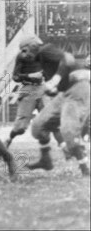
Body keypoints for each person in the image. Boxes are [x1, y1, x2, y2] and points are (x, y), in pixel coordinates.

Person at [26, 48, 90, 176]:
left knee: (69, 132)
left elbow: (67, 58)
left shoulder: (45, 52)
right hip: (64, 93)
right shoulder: (41, 65)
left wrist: (55, 79)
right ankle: (45, 160)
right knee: (38, 125)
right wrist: (50, 90)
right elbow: (57, 87)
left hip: (77, 90)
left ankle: (84, 167)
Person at [4, 36, 64, 149]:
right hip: (28, 89)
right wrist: (30, 76)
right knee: (20, 127)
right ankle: (8, 140)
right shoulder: (21, 57)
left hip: (42, 88)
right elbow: (15, 77)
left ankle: (64, 146)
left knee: (51, 118)